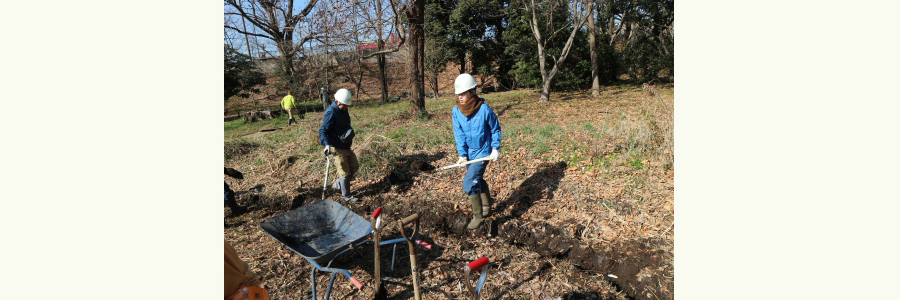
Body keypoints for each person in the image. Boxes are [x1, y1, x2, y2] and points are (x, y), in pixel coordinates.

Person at [451, 73, 501, 230]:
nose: (460, 97)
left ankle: (478, 216)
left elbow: (495, 129)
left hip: (483, 152)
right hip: (470, 154)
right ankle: (486, 208)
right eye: (458, 94)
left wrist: (495, 148)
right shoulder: (456, 111)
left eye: (463, 93)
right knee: (476, 179)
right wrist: (462, 154)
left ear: (472, 91)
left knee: (469, 183)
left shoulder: (484, 109)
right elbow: (459, 134)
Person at [319, 88, 360, 203]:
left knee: (354, 166)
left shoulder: (343, 109)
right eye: (344, 105)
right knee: (344, 173)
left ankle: (337, 186)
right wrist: (326, 144)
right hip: (336, 147)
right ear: (337, 102)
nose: (346, 107)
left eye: (347, 105)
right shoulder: (331, 112)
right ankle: (346, 196)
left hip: (346, 146)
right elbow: (322, 130)